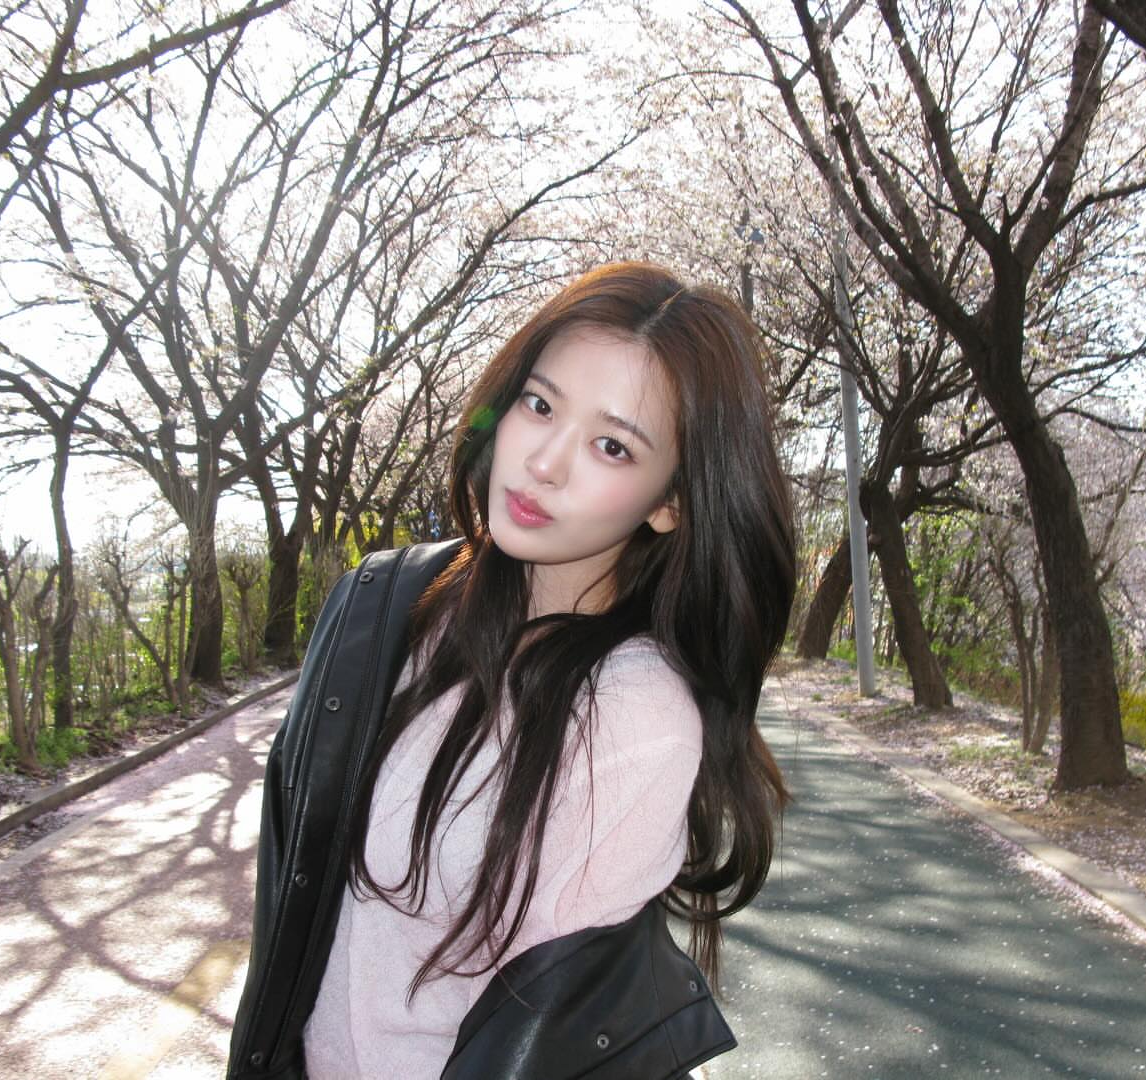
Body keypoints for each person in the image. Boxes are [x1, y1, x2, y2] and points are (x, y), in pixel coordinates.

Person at [229, 262, 796, 1079]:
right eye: (539, 405)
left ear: (670, 502)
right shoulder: (386, 606)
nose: (544, 463)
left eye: (611, 446)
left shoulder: (631, 719)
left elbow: (540, 1045)